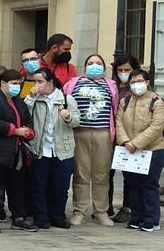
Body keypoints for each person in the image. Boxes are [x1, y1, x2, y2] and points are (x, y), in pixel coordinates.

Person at [0, 69, 36, 233]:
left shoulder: (18, 101)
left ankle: (18, 217)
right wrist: (15, 130)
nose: (16, 87)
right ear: (3, 83)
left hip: (15, 152)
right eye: (13, 84)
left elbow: (27, 119)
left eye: (19, 83)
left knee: (17, 186)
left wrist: (28, 131)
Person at [62, 53, 116, 227]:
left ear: (104, 67)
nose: (95, 66)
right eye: (91, 63)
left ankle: (101, 211)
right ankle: (79, 211)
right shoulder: (73, 84)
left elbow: (115, 110)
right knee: (81, 174)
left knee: (102, 175)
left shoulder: (111, 86)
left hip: (103, 134)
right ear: (84, 67)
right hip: (80, 133)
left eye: (98, 63)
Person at [25, 68, 80, 229]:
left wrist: (68, 117)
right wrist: (30, 98)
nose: (37, 85)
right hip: (41, 148)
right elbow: (25, 116)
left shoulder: (66, 99)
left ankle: (58, 215)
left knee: (61, 185)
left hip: (62, 149)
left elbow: (77, 121)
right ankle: (41, 216)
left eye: (40, 81)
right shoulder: (35, 99)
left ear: (50, 82)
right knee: (39, 185)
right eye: (35, 82)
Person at [116, 69, 164, 232]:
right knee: (133, 184)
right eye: (133, 82)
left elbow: (157, 126)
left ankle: (151, 219)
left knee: (149, 184)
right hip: (129, 149)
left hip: (153, 149)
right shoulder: (125, 101)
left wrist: (137, 143)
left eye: (139, 81)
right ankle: (136, 217)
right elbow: (118, 122)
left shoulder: (156, 101)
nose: (136, 85)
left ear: (147, 82)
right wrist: (126, 141)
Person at [109, 53, 140, 223]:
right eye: (120, 69)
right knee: (108, 172)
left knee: (129, 173)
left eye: (127, 70)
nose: (123, 73)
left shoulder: (138, 88)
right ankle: (107, 206)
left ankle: (127, 207)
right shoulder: (112, 86)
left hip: (130, 136)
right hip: (111, 135)